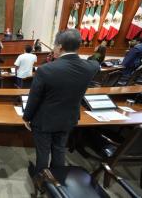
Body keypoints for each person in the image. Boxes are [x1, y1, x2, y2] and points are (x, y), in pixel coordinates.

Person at [23, 29, 99, 177]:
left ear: (60, 46)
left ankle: (42, 179)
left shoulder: (45, 70)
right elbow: (97, 63)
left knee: (43, 151)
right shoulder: (90, 68)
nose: (53, 48)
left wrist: (26, 117)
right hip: (68, 119)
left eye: (54, 45)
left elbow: (34, 98)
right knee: (59, 149)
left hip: (45, 120)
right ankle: (58, 178)